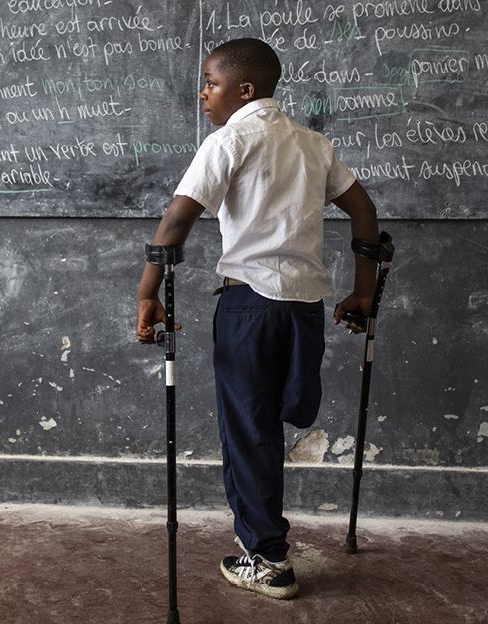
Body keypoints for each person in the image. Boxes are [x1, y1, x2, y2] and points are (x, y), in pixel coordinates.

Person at [135, 38, 380, 600]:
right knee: (286, 412)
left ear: (244, 89)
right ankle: (267, 532)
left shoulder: (230, 140)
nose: (202, 93)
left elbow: (177, 219)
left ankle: (267, 559)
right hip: (304, 310)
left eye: (211, 82)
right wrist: (362, 290)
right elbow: (363, 210)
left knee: (249, 434)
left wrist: (148, 292)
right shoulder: (314, 145)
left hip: (248, 309)